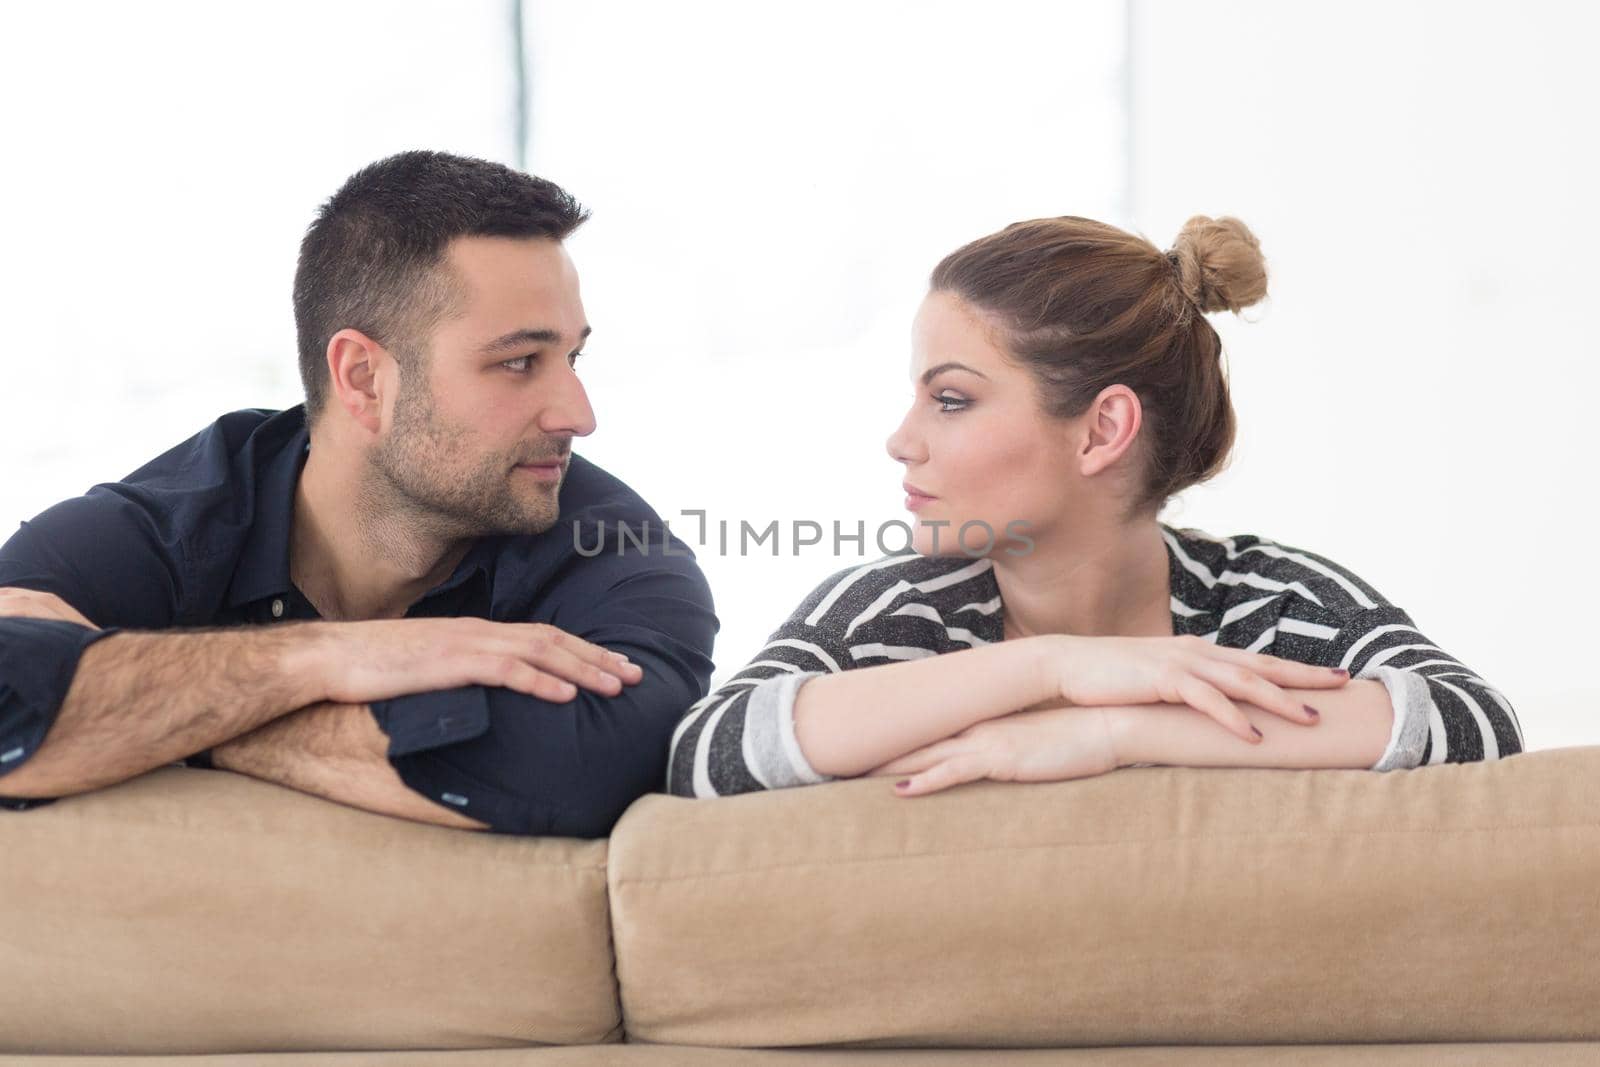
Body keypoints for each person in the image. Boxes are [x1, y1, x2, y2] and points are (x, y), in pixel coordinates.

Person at [667, 214, 1521, 799]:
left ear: (1101, 430)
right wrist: (1053, 668)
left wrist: (1116, 732)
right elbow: (706, 752)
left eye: (952, 399)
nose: (901, 439)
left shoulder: (1272, 602)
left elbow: (1473, 720)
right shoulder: (900, 610)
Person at [0, 150, 717, 837]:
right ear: (364, 379)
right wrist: (314, 660)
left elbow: (600, 764)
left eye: (571, 355)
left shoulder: (614, 545)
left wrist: (168, 718)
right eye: (519, 361)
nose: (578, 414)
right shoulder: (176, 521)